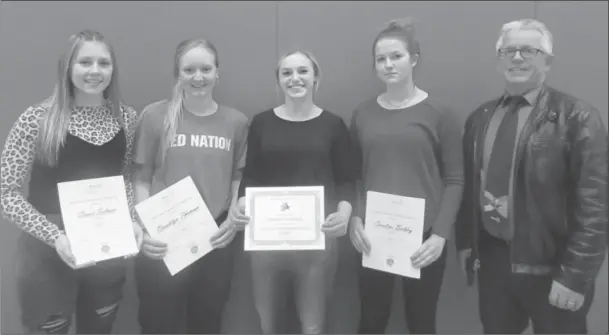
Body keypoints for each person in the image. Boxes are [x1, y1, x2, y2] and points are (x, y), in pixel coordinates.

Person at [455, 19, 608, 334]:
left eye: (529, 50)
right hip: (494, 266)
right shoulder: (480, 118)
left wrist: (575, 277)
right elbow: (471, 187)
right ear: (499, 60)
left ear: (547, 61)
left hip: (553, 268)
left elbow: (596, 207)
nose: (517, 57)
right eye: (509, 50)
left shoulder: (578, 118)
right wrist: (467, 243)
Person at [0, 30, 142, 334]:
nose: (95, 71)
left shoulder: (126, 118)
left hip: (105, 248)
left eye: (103, 63)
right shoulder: (37, 119)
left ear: (113, 69)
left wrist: (131, 220)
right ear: (68, 67)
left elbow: (125, 177)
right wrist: (55, 236)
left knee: (99, 328)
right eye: (85, 62)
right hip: (47, 252)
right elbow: (6, 194)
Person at [348, 18, 464, 334]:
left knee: (421, 321)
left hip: (424, 238)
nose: (388, 65)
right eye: (381, 59)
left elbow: (455, 180)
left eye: (396, 56)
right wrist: (356, 219)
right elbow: (355, 175)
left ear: (413, 59)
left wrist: (440, 234)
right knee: (371, 320)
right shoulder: (362, 114)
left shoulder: (440, 113)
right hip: (373, 236)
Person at [132, 37, 250, 334]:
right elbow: (141, 178)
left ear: (217, 73)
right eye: (189, 70)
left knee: (207, 323)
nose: (198, 77)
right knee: (158, 324)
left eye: (206, 69)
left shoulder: (236, 122)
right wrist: (146, 228)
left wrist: (233, 222)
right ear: (178, 74)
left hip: (216, 237)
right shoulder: (155, 115)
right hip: (163, 239)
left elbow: (238, 176)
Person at [233, 50, 356, 334]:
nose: (295, 78)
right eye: (286, 73)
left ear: (316, 78)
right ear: (278, 81)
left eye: (303, 71)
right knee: (267, 323)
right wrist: (241, 203)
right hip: (266, 241)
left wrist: (344, 213)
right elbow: (250, 174)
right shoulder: (261, 123)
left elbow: (347, 179)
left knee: (312, 325)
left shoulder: (333, 125)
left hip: (317, 240)